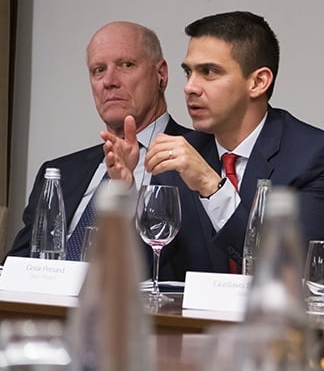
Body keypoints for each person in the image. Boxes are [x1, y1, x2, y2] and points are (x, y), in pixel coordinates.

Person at [102, 11, 324, 279]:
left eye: (208, 72)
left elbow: (302, 270)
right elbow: (147, 274)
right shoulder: (180, 155)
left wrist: (211, 186)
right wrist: (126, 193)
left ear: (258, 82)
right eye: (188, 72)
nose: (189, 87)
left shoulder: (318, 157)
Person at [5, 21, 189, 260]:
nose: (109, 81)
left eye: (126, 65)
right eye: (98, 70)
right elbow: (16, 264)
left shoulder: (201, 155)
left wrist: (126, 191)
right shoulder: (60, 171)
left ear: (161, 74)